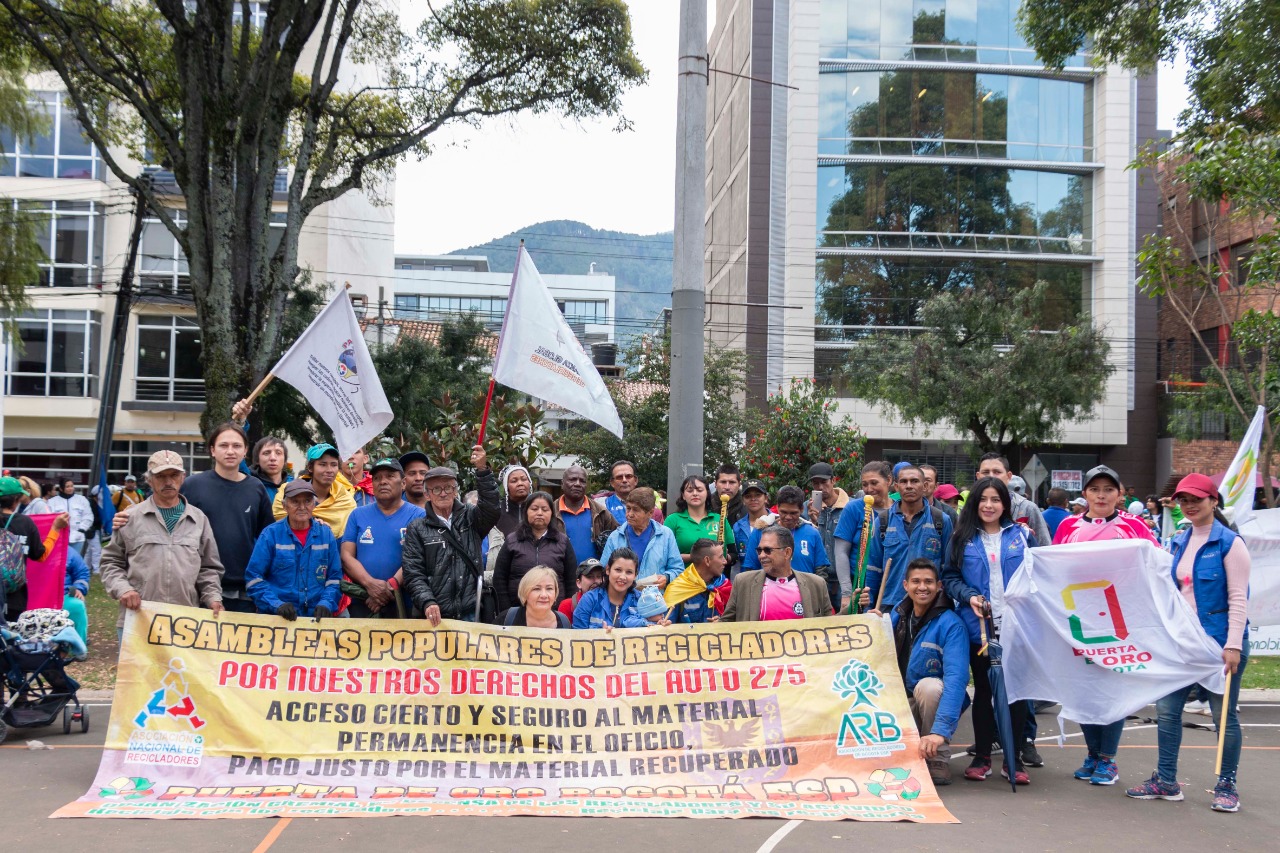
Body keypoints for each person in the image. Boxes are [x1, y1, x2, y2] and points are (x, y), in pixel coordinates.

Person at [1126, 473, 1250, 813]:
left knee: (1223, 718)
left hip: (1219, 645)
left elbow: (1239, 598)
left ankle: (1226, 785)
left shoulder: (1230, 543)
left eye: (1196, 499)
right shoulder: (1179, 540)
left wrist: (1233, 645)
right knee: (1167, 711)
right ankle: (1166, 781)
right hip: (1182, 644)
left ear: (1214, 501)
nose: (1190, 505)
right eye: (1184, 500)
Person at [1052, 464, 1159, 786]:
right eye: (1095, 489)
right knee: (1085, 689)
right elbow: (1052, 568)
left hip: (1120, 621)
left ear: (1119, 494)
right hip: (1078, 618)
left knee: (1112, 689)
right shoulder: (1068, 526)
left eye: (1108, 489)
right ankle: (1092, 754)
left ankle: (1108, 759)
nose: (1101, 496)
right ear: (1084, 493)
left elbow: (1156, 564)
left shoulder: (1134, 526)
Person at [941, 476, 1032, 785]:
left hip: (1017, 625)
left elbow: (1041, 573)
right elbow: (949, 577)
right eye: (983, 499)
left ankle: (1013, 759)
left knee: (1015, 692)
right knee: (983, 689)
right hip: (977, 626)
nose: (989, 505)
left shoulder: (1022, 535)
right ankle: (982, 756)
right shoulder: (961, 538)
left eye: (996, 499)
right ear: (974, 503)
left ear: (1005, 504)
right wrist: (969, 596)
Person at [138, 422, 275, 615]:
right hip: (198, 587)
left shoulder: (256, 488)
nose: (230, 451)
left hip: (244, 590)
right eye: (223, 445)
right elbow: (158, 510)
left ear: (245, 451)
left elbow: (268, 537)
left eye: (236, 446)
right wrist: (127, 515)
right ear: (212, 450)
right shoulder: (192, 485)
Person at [99, 451, 225, 634]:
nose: (168, 481)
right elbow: (110, 562)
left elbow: (209, 568)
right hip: (139, 619)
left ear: (183, 478)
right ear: (149, 480)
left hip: (185, 621)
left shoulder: (199, 519)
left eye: (174, 475)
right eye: (160, 476)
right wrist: (123, 590)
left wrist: (213, 597)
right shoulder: (130, 517)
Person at [875, 558, 968, 786]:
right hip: (902, 702)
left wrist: (940, 731)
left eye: (929, 582)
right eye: (916, 581)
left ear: (939, 586)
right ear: (906, 585)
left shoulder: (952, 625)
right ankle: (910, 746)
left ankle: (937, 757)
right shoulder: (895, 616)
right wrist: (872, 627)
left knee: (930, 687)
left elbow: (956, 680)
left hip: (930, 702)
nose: (922, 587)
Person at [402, 446, 498, 625]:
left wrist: (482, 470)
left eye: (448, 487)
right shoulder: (417, 528)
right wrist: (427, 601)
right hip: (434, 617)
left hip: (471, 612)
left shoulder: (471, 517)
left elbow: (492, 508)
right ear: (427, 494)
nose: (443, 493)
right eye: (436, 489)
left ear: (455, 491)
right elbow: (413, 573)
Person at [340, 457, 426, 618]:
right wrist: (370, 584)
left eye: (390, 476)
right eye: (377, 478)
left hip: (405, 603)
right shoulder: (357, 515)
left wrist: (390, 587)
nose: (383, 482)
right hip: (364, 602)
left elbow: (421, 557)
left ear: (403, 483)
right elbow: (346, 556)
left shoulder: (419, 516)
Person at [245, 479, 340, 620]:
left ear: (314, 504)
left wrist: (326, 603)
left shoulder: (326, 535)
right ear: (284, 506)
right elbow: (253, 578)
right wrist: (276, 604)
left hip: (316, 620)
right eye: (295, 502)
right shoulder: (270, 535)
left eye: (307, 501)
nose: (302, 507)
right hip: (277, 620)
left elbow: (334, 578)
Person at [863, 464, 953, 612]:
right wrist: (869, 608)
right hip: (890, 604)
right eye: (904, 482)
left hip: (930, 605)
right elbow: (873, 569)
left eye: (914, 481)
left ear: (924, 486)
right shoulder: (883, 521)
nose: (909, 486)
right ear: (896, 487)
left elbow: (948, 568)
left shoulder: (941, 520)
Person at [742, 486, 832, 606]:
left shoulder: (812, 533)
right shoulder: (761, 532)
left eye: (793, 513)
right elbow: (750, 570)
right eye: (783, 512)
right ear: (777, 507)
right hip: (768, 601)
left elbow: (821, 572)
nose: (788, 517)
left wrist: (818, 599)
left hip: (805, 600)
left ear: (801, 509)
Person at [722, 525, 833, 622]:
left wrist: (845, 609)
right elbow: (727, 621)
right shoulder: (743, 582)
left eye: (768, 550)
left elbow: (830, 625)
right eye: (759, 550)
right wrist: (716, 626)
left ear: (787, 552)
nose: (761, 555)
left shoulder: (816, 584)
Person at [493, 491, 577, 612]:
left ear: (552, 513)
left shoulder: (562, 542)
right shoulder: (512, 540)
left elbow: (571, 580)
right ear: (526, 512)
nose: (539, 513)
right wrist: (507, 610)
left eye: (545, 509)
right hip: (517, 610)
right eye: (534, 509)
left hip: (554, 611)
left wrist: (565, 610)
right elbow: (499, 578)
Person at [0, 476, 67, 621]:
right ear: (16, 500)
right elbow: (41, 556)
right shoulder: (25, 523)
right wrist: (55, 529)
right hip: (15, 598)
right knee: (10, 633)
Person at [832, 463, 888, 613]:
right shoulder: (853, 508)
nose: (869, 489)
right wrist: (846, 593)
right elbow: (841, 552)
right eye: (865, 484)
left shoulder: (897, 511)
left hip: (889, 587)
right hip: (859, 587)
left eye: (874, 483)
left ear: (889, 480)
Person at [599, 486, 683, 584]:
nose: (629, 514)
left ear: (650, 513)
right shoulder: (616, 537)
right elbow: (604, 570)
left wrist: (667, 577)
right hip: (623, 593)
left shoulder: (665, 535)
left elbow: (678, 568)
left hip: (654, 593)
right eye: (628, 508)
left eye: (635, 510)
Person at [272, 443, 358, 537]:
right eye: (323, 464)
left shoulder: (345, 500)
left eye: (334, 465)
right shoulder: (287, 493)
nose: (329, 470)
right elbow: (279, 523)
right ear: (310, 467)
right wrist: (310, 523)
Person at [974, 454, 1051, 545]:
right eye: (986, 472)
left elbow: (1044, 547)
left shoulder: (1027, 508)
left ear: (1009, 476)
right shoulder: (970, 507)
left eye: (997, 472)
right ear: (978, 476)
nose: (991, 476)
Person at [664, 475, 737, 565]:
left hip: (714, 573)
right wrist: (697, 557)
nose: (695, 493)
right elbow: (664, 554)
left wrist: (723, 557)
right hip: (682, 573)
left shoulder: (720, 519)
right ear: (683, 495)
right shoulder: (672, 520)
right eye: (690, 490)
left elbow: (733, 554)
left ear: (707, 493)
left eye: (699, 490)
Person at [573, 548, 650, 629]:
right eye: (618, 570)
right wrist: (600, 634)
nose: (622, 577)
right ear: (608, 570)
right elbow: (577, 634)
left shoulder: (644, 600)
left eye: (629, 572)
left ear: (635, 575)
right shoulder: (589, 600)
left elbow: (653, 627)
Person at [557, 464, 616, 563]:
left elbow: (618, 540)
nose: (577, 484)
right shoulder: (550, 512)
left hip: (595, 572)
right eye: (572, 479)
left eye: (582, 481)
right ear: (562, 483)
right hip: (559, 571)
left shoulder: (602, 513)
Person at [670, 537, 728, 624]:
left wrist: (722, 622)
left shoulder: (725, 586)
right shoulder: (678, 589)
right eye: (721, 557)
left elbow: (737, 621)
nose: (725, 561)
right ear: (707, 561)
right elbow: (667, 625)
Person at [805, 462, 850, 566]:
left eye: (824, 482)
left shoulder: (850, 507)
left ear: (833, 480)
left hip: (844, 571)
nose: (820, 487)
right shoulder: (807, 508)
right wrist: (813, 522)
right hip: (818, 571)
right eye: (816, 483)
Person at [502, 565, 571, 628]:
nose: (544, 595)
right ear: (524, 592)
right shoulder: (507, 618)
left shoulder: (564, 622)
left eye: (549, 588)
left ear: (556, 592)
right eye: (536, 589)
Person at [731, 479, 776, 560]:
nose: (753, 499)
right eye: (748, 496)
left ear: (766, 498)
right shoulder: (737, 527)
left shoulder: (777, 521)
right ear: (743, 500)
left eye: (758, 495)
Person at [49, 478, 93, 556]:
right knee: (60, 560)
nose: (70, 488)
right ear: (61, 488)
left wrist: (82, 528)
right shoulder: (52, 502)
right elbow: (49, 518)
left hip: (77, 537)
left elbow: (88, 515)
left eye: (72, 486)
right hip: (59, 538)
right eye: (67, 486)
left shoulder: (82, 499)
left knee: (74, 559)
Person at [495, 463, 533, 538]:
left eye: (524, 479)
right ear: (506, 487)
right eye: (514, 481)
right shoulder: (498, 510)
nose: (520, 483)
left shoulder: (538, 509)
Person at [62, 546, 91, 645]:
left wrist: (79, 588)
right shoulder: (34, 551)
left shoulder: (68, 552)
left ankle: (79, 645)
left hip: (64, 593)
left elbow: (82, 573)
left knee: (77, 605)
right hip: (37, 595)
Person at [249, 437, 290, 504]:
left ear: (285, 460)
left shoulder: (293, 485)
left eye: (278, 453)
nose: (273, 458)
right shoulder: (248, 485)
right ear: (257, 459)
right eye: (266, 453)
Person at [603, 460, 639, 525]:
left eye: (628, 476)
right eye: (619, 477)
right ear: (612, 482)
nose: (624, 480)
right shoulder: (604, 505)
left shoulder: (649, 504)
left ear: (635, 480)